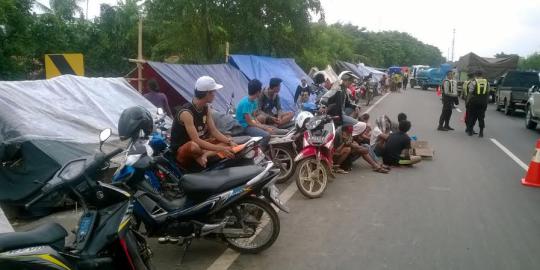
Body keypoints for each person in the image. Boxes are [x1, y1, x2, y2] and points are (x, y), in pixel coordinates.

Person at [170, 76, 236, 169]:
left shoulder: (206, 108)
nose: (215, 94)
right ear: (207, 94)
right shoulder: (186, 113)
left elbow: (214, 131)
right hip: (184, 149)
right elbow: (196, 140)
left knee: (227, 139)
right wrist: (221, 149)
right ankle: (204, 154)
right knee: (193, 146)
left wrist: (230, 141)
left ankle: (204, 155)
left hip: (201, 144)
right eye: (213, 92)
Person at [237, 79, 286, 150]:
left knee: (272, 129)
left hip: (251, 124)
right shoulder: (246, 103)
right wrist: (264, 127)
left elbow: (253, 116)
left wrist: (261, 125)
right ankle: (258, 154)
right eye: (260, 90)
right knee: (267, 135)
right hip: (244, 127)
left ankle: (284, 132)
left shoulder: (253, 102)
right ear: (258, 92)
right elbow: (249, 122)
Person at [466, 70, 490, 137]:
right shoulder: (487, 82)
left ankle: (470, 131)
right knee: (481, 117)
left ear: (476, 75)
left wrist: (467, 102)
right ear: (482, 75)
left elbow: (470, 93)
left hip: (474, 102)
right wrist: (486, 102)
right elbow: (488, 92)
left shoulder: (473, 82)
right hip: (483, 102)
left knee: (472, 116)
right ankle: (481, 132)